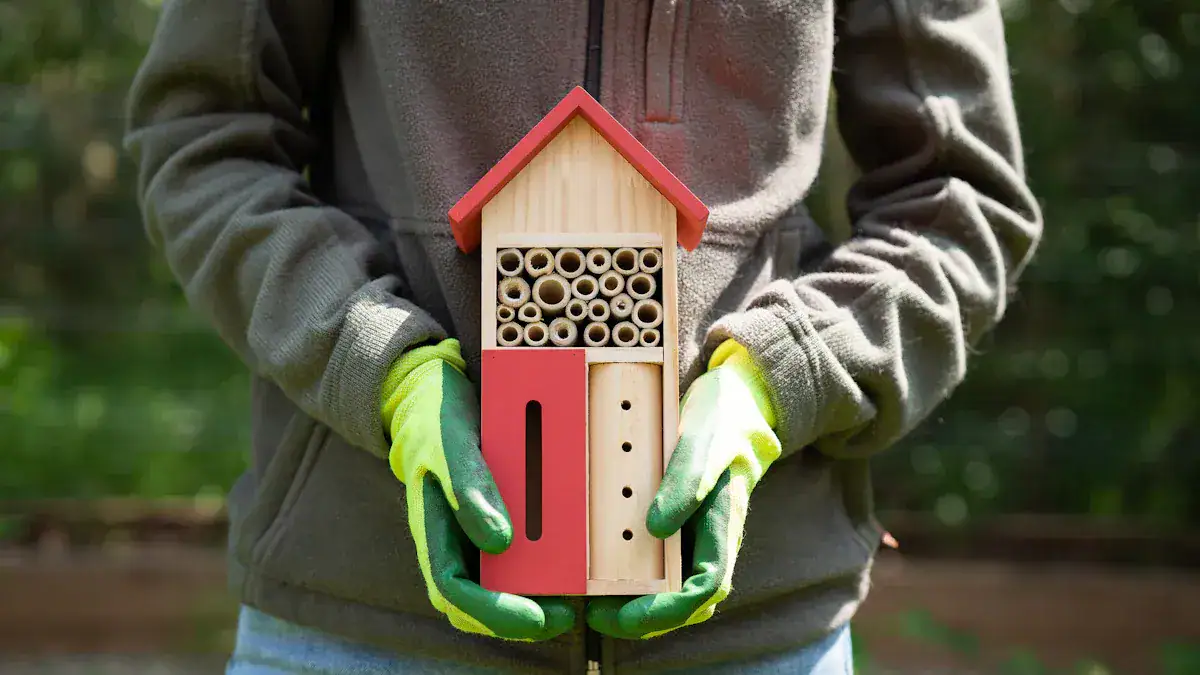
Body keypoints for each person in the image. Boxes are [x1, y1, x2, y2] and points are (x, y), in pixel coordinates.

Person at [124, 0, 1041, 673]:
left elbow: (958, 198)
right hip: (362, 624)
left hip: (754, 636)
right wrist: (377, 361)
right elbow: (209, 138)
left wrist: (784, 377)